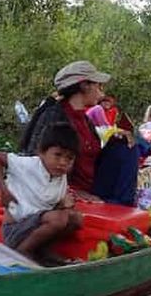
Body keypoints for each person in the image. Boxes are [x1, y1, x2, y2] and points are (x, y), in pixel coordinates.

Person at [0, 122, 82, 264]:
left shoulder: (60, 177)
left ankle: (43, 251)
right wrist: (4, 190)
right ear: (41, 152)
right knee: (59, 219)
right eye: (57, 155)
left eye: (69, 158)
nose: (63, 162)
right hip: (15, 230)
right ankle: (22, 253)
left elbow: (49, 209)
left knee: (76, 218)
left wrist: (64, 205)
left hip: (34, 227)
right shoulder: (28, 165)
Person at [20, 60, 110, 196]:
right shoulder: (55, 116)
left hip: (90, 190)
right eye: (99, 86)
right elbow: (37, 162)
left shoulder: (85, 120)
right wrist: (68, 193)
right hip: (63, 194)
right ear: (85, 86)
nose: (101, 93)